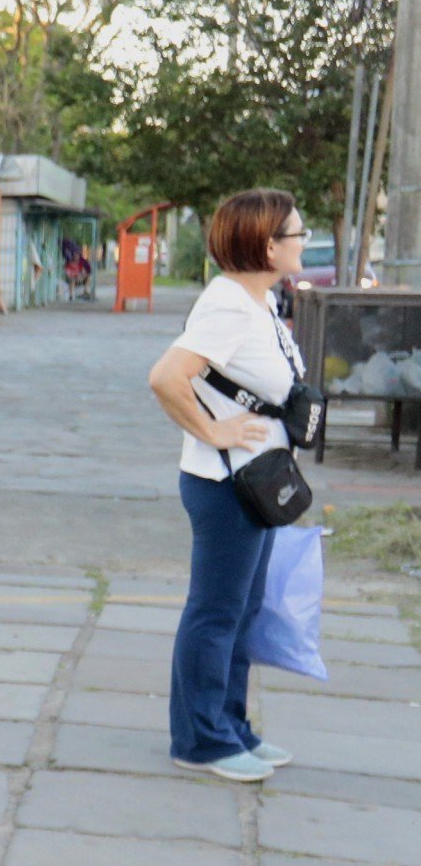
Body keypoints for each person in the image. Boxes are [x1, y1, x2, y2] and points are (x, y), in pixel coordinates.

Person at [145, 189, 310, 782]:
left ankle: (230, 725)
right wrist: (213, 432)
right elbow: (166, 377)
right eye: (298, 233)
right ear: (268, 244)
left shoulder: (259, 301)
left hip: (259, 482)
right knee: (216, 613)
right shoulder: (229, 306)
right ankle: (200, 739)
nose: (304, 242)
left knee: (244, 611)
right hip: (226, 486)